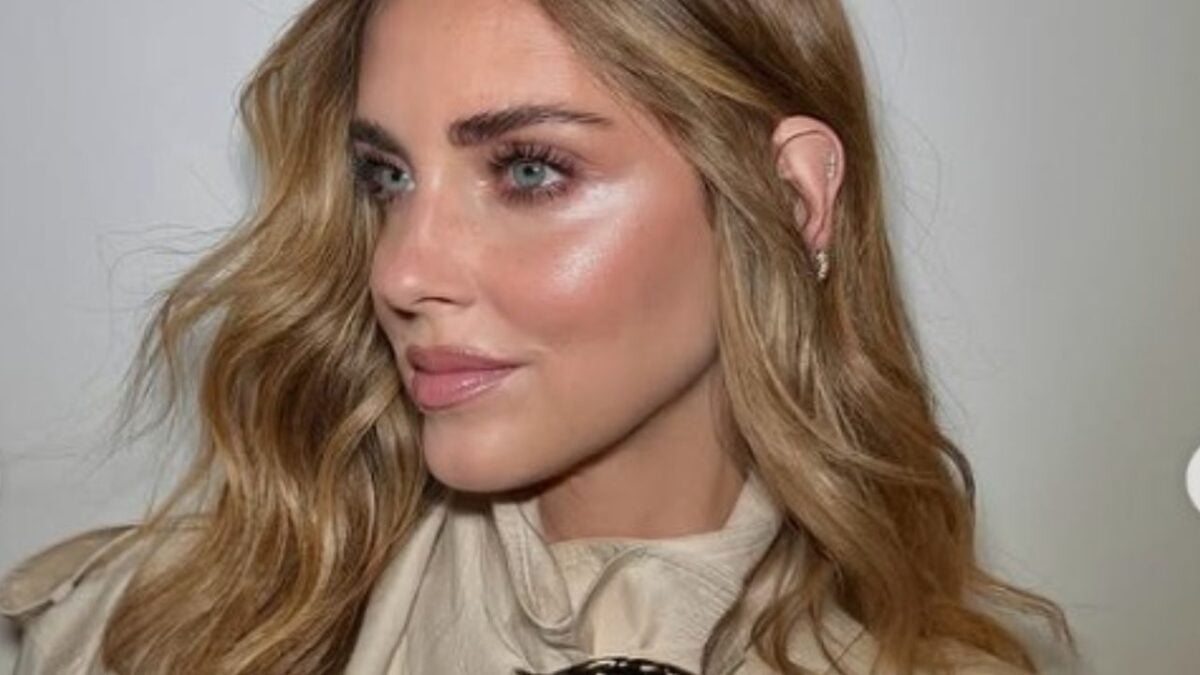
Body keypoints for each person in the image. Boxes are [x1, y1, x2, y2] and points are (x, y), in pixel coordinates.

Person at [0, 0, 1075, 673]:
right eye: (386, 176)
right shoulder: (156, 634)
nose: (400, 271)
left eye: (527, 169)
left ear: (792, 197)